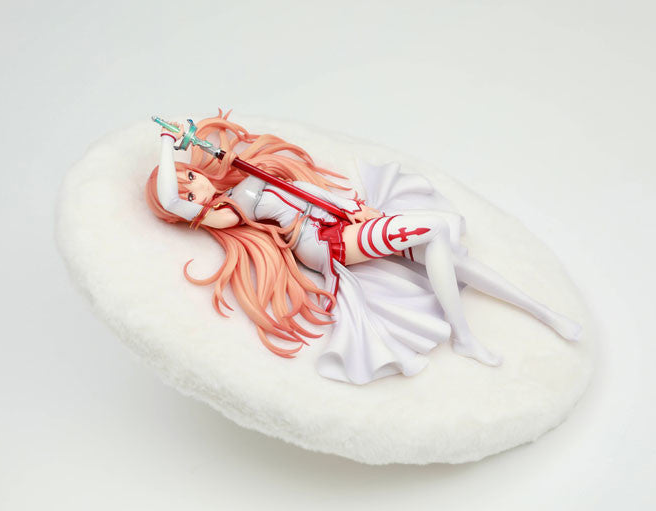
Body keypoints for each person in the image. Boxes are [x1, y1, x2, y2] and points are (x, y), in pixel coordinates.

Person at [146, 111, 581, 384]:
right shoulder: (225, 213)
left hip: (339, 218)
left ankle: (544, 312)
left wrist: (354, 206)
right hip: (321, 240)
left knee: (452, 259)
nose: (194, 187)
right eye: (188, 192)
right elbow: (169, 198)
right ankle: (464, 336)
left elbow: (305, 190)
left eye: (190, 176)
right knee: (434, 230)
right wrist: (167, 145)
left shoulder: (239, 178)